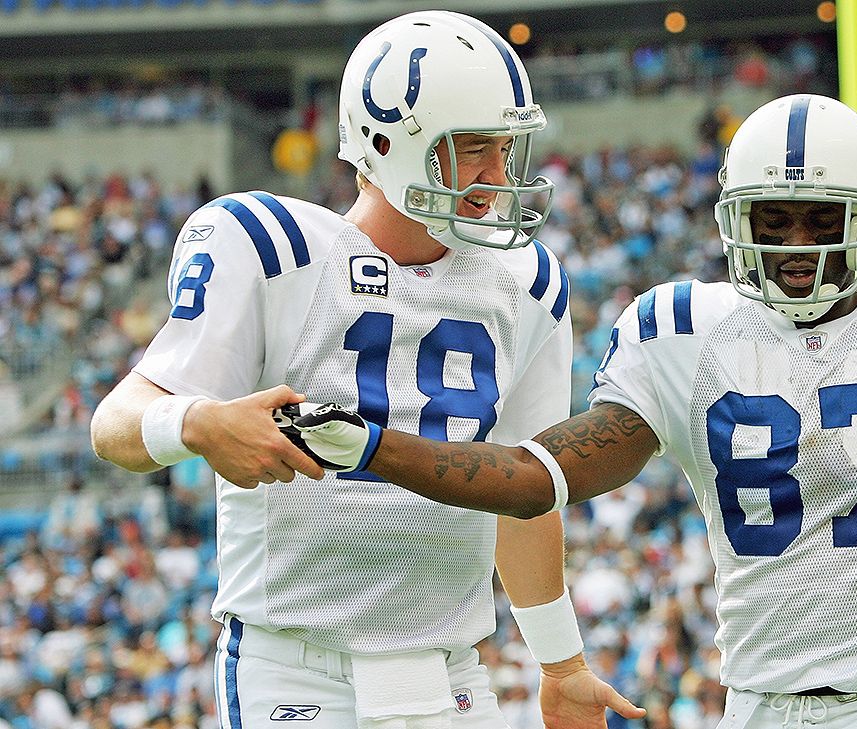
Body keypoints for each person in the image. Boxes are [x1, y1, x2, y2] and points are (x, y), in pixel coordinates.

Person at [281, 95, 857, 729]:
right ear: (736, 219)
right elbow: (532, 480)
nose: (796, 247)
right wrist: (372, 447)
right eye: (773, 220)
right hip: (760, 704)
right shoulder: (683, 338)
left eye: (820, 220)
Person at [89, 11, 641, 729]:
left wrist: (562, 664)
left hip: (454, 674)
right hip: (298, 670)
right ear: (388, 144)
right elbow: (113, 425)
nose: (498, 174)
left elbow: (520, 490)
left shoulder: (527, 283)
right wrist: (195, 422)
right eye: (472, 147)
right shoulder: (274, 250)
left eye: (506, 147)